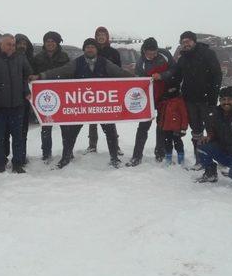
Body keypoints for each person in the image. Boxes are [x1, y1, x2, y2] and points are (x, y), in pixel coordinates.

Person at [34, 38, 132, 169]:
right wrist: (42, 76)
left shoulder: (104, 62)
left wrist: (139, 80)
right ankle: (65, 158)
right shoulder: (77, 62)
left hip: (101, 105)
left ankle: (114, 158)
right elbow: (61, 71)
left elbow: (119, 73)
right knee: (71, 133)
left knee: (110, 131)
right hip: (81, 106)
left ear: (96, 49)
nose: (90, 49)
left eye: (92, 47)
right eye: (87, 47)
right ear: (84, 49)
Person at [155, 31, 222, 169]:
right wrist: (168, 86)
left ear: (194, 41)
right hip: (189, 100)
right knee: (196, 131)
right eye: (183, 42)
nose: (186, 44)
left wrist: (213, 98)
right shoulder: (183, 58)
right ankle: (200, 160)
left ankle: (221, 160)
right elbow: (176, 77)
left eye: (188, 41)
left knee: (212, 130)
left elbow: (217, 75)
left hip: (207, 100)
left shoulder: (207, 54)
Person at [0, 34, 32, 174]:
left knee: (18, 137)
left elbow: (27, 74)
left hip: (17, 105)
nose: (11, 47)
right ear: (0, 44)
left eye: (13, 44)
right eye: (8, 44)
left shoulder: (20, 57)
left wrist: (25, 89)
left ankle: (17, 163)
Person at [126, 37, 173, 167]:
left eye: (154, 53)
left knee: (162, 125)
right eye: (149, 53)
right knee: (143, 127)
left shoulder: (165, 55)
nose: (151, 55)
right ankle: (136, 156)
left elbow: (175, 70)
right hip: (148, 98)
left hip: (164, 95)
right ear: (144, 51)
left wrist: (162, 76)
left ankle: (160, 153)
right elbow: (138, 82)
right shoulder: (141, 62)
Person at [31, 31, 70, 161]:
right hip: (45, 97)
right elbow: (33, 76)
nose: (50, 43)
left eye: (53, 41)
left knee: (65, 127)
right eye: (48, 41)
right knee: (46, 127)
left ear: (57, 43)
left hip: (62, 95)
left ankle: (67, 151)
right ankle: (46, 153)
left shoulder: (64, 57)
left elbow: (68, 73)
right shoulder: (38, 58)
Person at [85, 26, 123, 155]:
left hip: (108, 90)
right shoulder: (91, 51)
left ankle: (115, 146)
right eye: (99, 34)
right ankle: (92, 145)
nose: (101, 37)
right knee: (92, 118)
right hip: (92, 90)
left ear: (107, 37)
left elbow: (118, 70)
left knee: (109, 117)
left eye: (103, 34)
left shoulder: (113, 52)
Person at [10, 33, 35, 164]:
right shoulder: (9, 58)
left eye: (24, 44)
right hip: (9, 100)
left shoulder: (31, 59)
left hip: (25, 100)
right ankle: (5, 156)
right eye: (19, 43)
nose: (22, 46)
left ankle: (21, 156)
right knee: (7, 132)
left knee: (22, 131)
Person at [157, 87, 188, 165]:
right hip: (166, 127)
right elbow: (162, 113)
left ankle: (181, 158)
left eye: (172, 89)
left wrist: (184, 128)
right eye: (169, 89)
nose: (170, 91)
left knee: (178, 143)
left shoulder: (179, 101)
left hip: (176, 128)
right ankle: (168, 158)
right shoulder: (165, 101)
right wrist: (161, 124)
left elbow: (184, 115)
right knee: (167, 143)